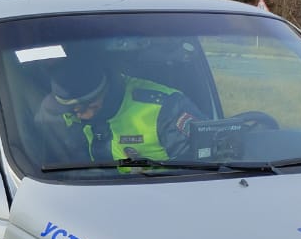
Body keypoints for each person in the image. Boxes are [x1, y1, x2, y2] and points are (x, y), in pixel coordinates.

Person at [37, 55, 203, 164]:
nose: (84, 116)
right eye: (75, 111)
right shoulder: (51, 113)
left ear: (107, 90)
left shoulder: (168, 108)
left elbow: (202, 168)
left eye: (92, 106)